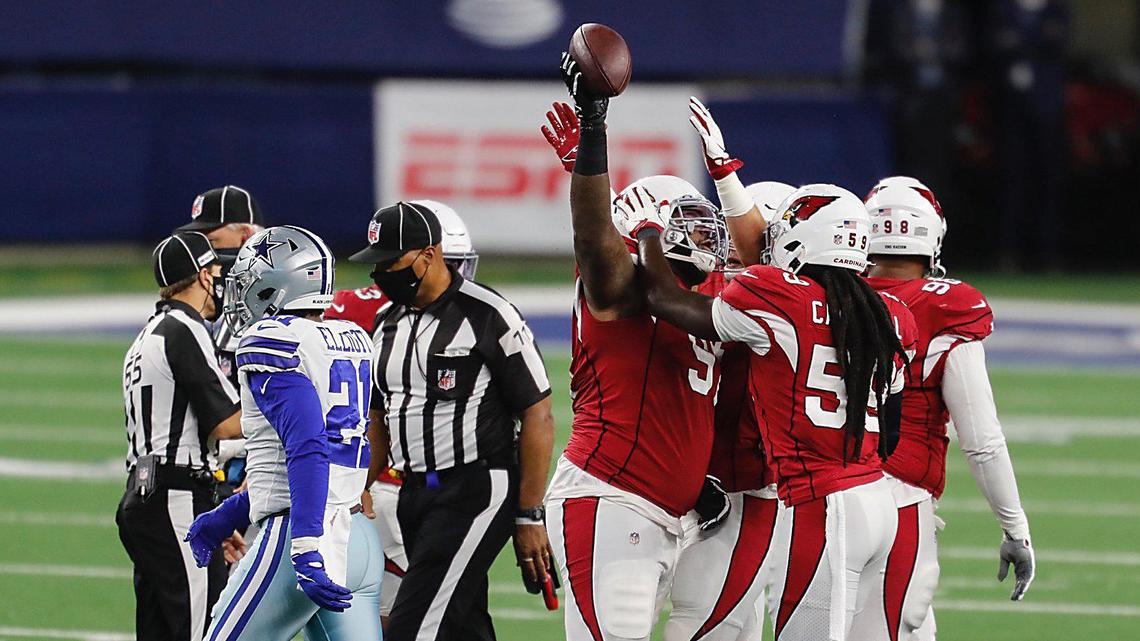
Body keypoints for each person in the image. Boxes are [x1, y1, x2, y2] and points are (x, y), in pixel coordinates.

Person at [633, 182, 918, 641]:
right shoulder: (889, 313)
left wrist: (647, 231)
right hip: (878, 500)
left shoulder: (779, 296)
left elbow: (665, 301)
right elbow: (890, 430)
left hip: (826, 505)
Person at [540, 53, 748, 641]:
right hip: (612, 500)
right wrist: (595, 130)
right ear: (640, 232)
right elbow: (595, 240)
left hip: (675, 515)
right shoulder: (622, 287)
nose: (702, 236)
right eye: (678, 223)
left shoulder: (705, 287)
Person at [349, 201, 555, 641]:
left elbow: (537, 411)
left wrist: (529, 515)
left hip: (476, 488)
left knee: (413, 626)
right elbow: (378, 417)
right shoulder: (385, 323)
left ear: (429, 254)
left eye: (391, 261)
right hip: (414, 493)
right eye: (376, 264)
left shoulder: (488, 313)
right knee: (463, 625)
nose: (381, 274)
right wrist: (356, 485)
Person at [864, 176, 1035, 640]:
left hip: (816, 498)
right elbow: (981, 441)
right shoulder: (948, 306)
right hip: (899, 502)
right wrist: (1015, 528)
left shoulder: (818, 296)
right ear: (932, 235)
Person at [195, 225, 384, 641]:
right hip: (359, 538)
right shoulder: (350, 337)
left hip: (302, 536)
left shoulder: (272, 340)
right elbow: (309, 459)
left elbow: (308, 446)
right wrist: (229, 514)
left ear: (276, 284)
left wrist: (306, 547)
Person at [324, 199, 480, 631]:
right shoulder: (425, 319)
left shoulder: (344, 307)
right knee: (419, 620)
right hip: (400, 484)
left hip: (354, 483)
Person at [665, 181, 795, 641]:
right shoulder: (714, 289)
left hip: (749, 489)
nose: (733, 254)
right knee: (714, 622)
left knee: (717, 622)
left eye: (751, 244)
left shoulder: (787, 306)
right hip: (705, 486)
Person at [117, 231, 243, 641]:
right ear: (203, 276)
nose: (220, 278)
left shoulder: (148, 333)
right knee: (203, 631)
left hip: (148, 495)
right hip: (176, 497)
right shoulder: (184, 327)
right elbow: (227, 423)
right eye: (216, 270)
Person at [176, 185, 266, 493]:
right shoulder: (224, 291)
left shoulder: (276, 293)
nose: (206, 252)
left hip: (259, 463)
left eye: (212, 241)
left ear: (244, 235)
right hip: (225, 457)